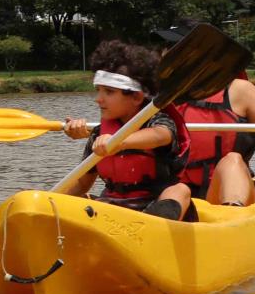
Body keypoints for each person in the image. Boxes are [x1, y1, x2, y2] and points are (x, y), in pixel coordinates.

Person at [155, 26, 255, 207]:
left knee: (232, 160)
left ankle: (233, 215)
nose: (165, 52)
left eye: (174, 46)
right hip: (180, 193)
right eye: (166, 46)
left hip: (226, 187)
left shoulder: (240, 90)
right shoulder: (158, 95)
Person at [58, 39, 190, 220]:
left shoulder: (159, 121)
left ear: (136, 97)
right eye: (99, 90)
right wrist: (49, 201)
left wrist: (117, 142)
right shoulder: (99, 134)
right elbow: (82, 184)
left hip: (153, 205)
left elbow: (161, 135)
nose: (99, 99)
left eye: (109, 92)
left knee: (180, 190)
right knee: (79, 202)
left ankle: (154, 234)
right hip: (114, 207)